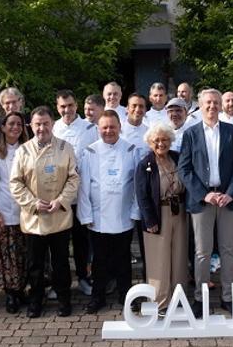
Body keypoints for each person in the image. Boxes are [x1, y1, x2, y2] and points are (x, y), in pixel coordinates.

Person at [178, 88, 233, 314]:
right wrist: (204, 194)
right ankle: (201, 297)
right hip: (202, 200)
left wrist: (231, 192)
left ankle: (228, 297)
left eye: (216, 102)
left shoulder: (232, 131)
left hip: (227, 199)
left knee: (228, 250)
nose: (212, 106)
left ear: (221, 105)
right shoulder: (190, 133)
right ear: (200, 105)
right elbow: (184, 168)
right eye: (207, 102)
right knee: (202, 251)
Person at [11, 106, 80, 318]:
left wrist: (61, 201)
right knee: (35, 265)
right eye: (37, 124)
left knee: (60, 263)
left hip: (59, 216)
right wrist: (32, 203)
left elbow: (73, 178)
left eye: (46, 123)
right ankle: (36, 301)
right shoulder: (22, 151)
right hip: (35, 218)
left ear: (53, 124)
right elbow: (15, 183)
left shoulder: (65, 148)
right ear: (30, 126)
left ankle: (63, 300)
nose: (42, 128)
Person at [79, 111, 141, 313]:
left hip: (123, 216)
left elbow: (136, 186)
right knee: (99, 260)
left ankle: (126, 295)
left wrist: (135, 212)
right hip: (99, 217)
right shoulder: (90, 152)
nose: (108, 131)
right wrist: (86, 215)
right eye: (104, 127)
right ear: (98, 129)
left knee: (123, 259)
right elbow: (84, 187)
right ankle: (98, 297)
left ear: (119, 127)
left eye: (112, 127)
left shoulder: (131, 150)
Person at [134, 122, 188, 313]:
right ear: (150, 142)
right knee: (159, 259)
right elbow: (142, 196)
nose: (161, 143)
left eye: (164, 139)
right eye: (156, 140)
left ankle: (179, 298)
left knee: (180, 255)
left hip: (179, 211)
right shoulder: (145, 165)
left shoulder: (178, 158)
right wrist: (150, 220)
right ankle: (161, 301)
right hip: (159, 214)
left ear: (170, 140)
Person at [0, 110, 31, 314]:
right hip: (4, 210)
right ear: (2, 127)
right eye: (11, 124)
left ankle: (22, 289)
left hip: (27, 211)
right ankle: (11, 294)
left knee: (24, 254)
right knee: (7, 256)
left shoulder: (28, 149)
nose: (15, 128)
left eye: (19, 124)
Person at [53, 90, 96, 296]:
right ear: (57, 107)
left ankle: (84, 277)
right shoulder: (52, 128)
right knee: (59, 242)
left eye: (69, 105)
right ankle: (60, 283)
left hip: (81, 195)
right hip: (58, 196)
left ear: (76, 105)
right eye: (62, 106)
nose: (66, 110)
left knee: (81, 241)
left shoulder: (89, 128)